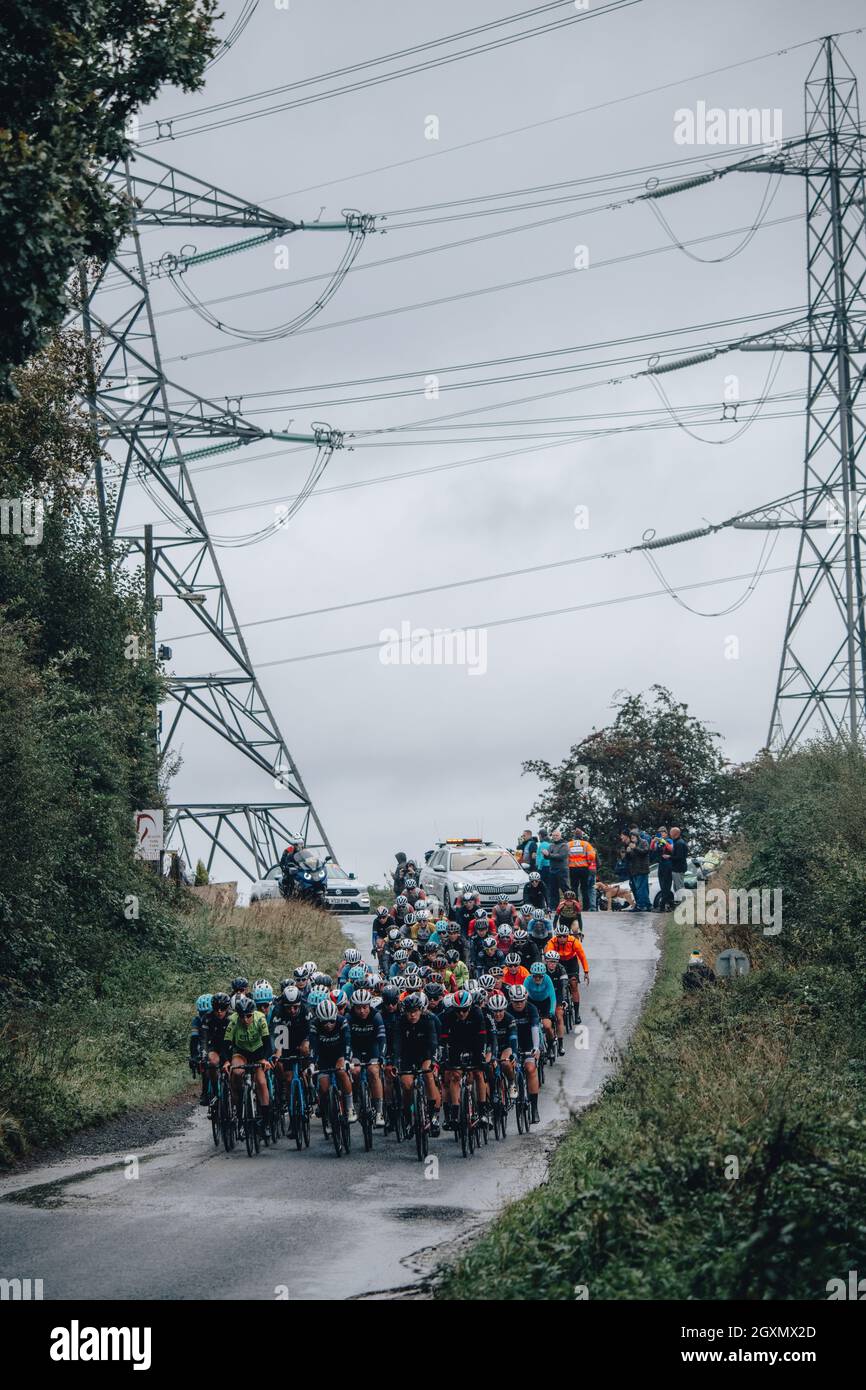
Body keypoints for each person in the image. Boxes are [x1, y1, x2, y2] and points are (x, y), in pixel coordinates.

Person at [222, 994, 274, 1136]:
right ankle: (239, 1111)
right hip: (241, 1052)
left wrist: (264, 1059)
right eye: (242, 1016)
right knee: (236, 1073)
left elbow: (268, 1043)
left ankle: (266, 1122)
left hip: (258, 1053)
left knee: (262, 1083)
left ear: (253, 1014)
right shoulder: (232, 1021)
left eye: (248, 1016)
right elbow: (225, 1044)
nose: (245, 1019)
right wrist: (226, 1061)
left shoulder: (260, 1018)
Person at [389, 993, 441, 1134]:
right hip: (407, 1056)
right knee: (406, 1085)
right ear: (404, 1012)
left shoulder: (428, 1019)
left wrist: (434, 1062)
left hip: (425, 1054)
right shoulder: (400, 1022)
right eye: (409, 1012)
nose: (412, 1015)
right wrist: (395, 1064)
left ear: (420, 1011)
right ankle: (409, 1116)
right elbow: (397, 1045)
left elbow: (433, 1043)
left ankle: (433, 1115)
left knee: (428, 1075)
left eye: (415, 1012)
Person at [438, 988, 489, 1128]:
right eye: (458, 1010)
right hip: (456, 1044)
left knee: (478, 1073)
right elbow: (443, 1040)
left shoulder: (477, 1013)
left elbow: (483, 1037)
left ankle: (483, 1112)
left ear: (470, 1007)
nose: (461, 1013)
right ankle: (454, 1113)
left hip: (475, 1044)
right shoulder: (448, 1015)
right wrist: (443, 1058)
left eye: (465, 1010)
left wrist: (482, 1057)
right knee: (455, 1075)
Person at [346, 989, 386, 1126]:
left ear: (369, 1006)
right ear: (353, 1007)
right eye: (358, 1008)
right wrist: (348, 1057)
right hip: (356, 1049)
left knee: (374, 1072)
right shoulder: (349, 1018)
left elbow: (382, 1039)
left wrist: (381, 1056)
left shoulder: (376, 1016)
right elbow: (347, 1041)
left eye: (365, 1007)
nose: (362, 1011)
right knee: (355, 1071)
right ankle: (358, 1095)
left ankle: (379, 1112)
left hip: (372, 1047)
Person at [506, 985, 542, 1123]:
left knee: (530, 1069)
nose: (519, 1004)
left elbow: (534, 1028)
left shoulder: (531, 1008)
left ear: (525, 999)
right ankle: (512, 1086)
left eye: (521, 1001)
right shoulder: (507, 1010)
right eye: (516, 1001)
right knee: (508, 1064)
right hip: (512, 1043)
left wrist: (536, 1048)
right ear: (511, 1000)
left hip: (528, 1042)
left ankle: (534, 1108)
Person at [625, 832, 652, 911]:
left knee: (641, 889)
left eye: (633, 837)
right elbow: (629, 859)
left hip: (642, 869)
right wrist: (628, 852)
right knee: (642, 889)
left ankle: (641, 906)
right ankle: (648, 905)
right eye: (631, 837)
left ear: (637, 836)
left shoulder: (644, 842)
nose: (632, 838)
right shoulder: (632, 845)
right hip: (635, 870)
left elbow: (645, 852)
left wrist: (635, 848)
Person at [547, 829, 571, 904]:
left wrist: (549, 855)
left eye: (557, 835)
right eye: (553, 835)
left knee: (565, 888)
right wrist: (545, 855)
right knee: (553, 889)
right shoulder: (551, 845)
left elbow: (561, 856)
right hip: (552, 870)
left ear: (560, 836)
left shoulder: (564, 845)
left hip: (562, 870)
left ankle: (571, 904)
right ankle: (554, 906)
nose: (555, 837)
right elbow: (548, 856)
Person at [535, 828, 554, 909]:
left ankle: (544, 904)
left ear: (540, 835)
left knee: (543, 886)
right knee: (549, 886)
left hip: (543, 868)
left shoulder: (542, 844)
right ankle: (550, 904)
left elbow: (542, 857)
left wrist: (539, 868)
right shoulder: (550, 844)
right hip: (550, 867)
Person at [670, 827, 689, 896]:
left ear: (676, 834)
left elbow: (679, 857)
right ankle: (680, 901)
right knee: (676, 887)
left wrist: (669, 857)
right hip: (677, 868)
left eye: (671, 832)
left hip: (678, 868)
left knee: (679, 887)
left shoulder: (679, 843)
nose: (670, 834)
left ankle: (683, 903)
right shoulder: (678, 842)